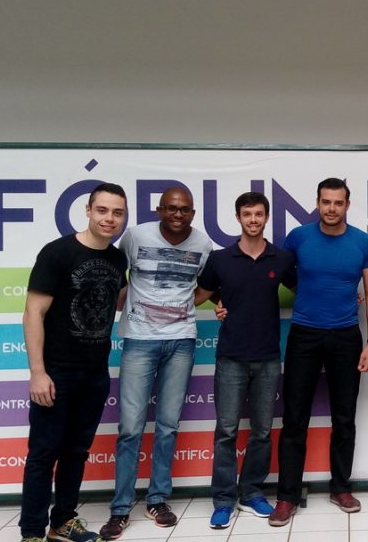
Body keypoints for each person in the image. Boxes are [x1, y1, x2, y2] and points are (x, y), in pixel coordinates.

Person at [100, 187, 213, 539]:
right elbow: (117, 279)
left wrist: (180, 307)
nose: (178, 215)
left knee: (167, 425)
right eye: (172, 208)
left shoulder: (203, 244)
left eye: (185, 210)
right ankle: (120, 509)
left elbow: (205, 286)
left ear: (193, 213)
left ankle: (158, 499)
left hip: (181, 341)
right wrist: (131, 305)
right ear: (160, 209)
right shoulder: (135, 237)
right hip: (139, 340)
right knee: (131, 428)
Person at [19, 183, 128, 542]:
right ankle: (32, 531)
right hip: (56, 372)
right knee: (43, 453)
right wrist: (38, 372)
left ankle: (63, 521)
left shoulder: (118, 260)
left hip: (95, 373)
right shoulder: (58, 253)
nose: (109, 218)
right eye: (103, 210)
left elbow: (118, 301)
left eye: (117, 212)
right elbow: (33, 312)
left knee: (76, 452)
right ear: (88, 210)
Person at [269, 177, 368, 527]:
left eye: (338, 202)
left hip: (346, 336)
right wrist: (306, 289)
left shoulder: (363, 243)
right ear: (317, 203)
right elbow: (281, 274)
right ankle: (287, 496)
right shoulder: (298, 238)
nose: (332, 208)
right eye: (326, 202)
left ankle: (341, 487)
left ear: (347, 205)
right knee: (294, 418)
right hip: (304, 334)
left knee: (344, 417)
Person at [194, 192, 296, 529]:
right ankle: (223, 499)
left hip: (268, 357)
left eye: (259, 214)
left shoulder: (281, 258)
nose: (253, 220)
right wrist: (218, 304)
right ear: (238, 218)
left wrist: (345, 295)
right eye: (247, 214)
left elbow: (307, 289)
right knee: (226, 431)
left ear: (266, 217)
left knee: (262, 431)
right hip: (231, 357)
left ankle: (251, 492)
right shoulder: (220, 259)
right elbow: (199, 295)